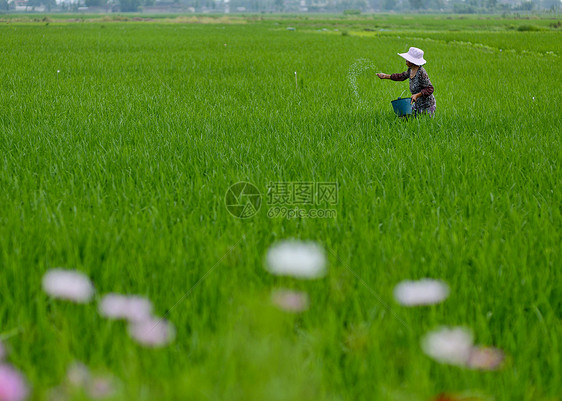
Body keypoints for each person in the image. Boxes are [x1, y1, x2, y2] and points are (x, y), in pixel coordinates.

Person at [377, 47, 436, 117]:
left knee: (424, 124)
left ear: (413, 61)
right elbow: (401, 76)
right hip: (417, 103)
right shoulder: (410, 70)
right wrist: (385, 76)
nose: (406, 60)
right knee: (406, 119)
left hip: (427, 105)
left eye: (408, 59)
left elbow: (430, 88)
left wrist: (417, 95)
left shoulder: (421, 73)